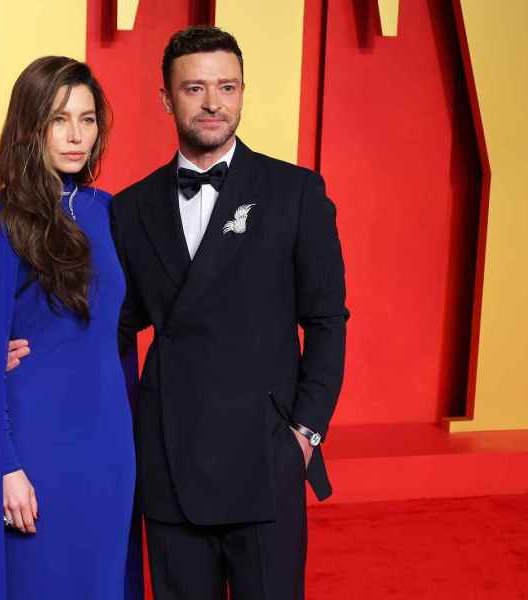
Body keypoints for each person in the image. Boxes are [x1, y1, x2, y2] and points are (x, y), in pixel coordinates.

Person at [111, 26, 349, 599]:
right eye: (194, 88)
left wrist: (304, 436)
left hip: (265, 459)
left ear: (243, 92)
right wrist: (26, 347)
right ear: (166, 98)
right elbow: (114, 324)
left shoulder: (295, 192)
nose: (213, 103)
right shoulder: (131, 208)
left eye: (227, 86)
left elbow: (326, 321)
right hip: (170, 458)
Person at [0, 56, 137, 600]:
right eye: (59, 120)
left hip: (110, 444)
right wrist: (3, 465)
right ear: (31, 127)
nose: (77, 136)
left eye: (88, 119)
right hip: (35, 444)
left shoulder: (115, 214)